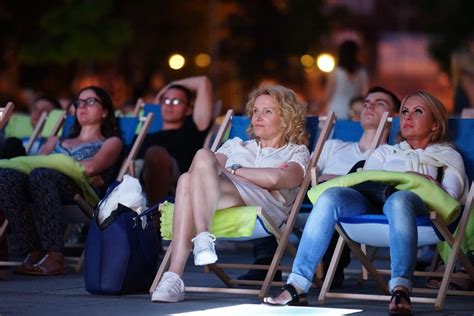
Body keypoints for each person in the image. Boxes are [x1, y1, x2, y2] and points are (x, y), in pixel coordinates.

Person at [264, 91, 468, 315]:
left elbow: (450, 200)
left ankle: (400, 287)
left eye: (417, 112)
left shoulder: (447, 156)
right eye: (405, 112)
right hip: (372, 205)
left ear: (435, 125)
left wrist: (424, 183)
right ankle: (297, 285)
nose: (407, 117)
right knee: (330, 197)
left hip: (418, 215)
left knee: (399, 199)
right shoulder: (386, 151)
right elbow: (367, 182)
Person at [151, 85, 311, 303]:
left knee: (193, 175)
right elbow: (200, 170)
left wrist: (234, 170)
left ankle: (188, 256)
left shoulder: (296, 152)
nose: (257, 117)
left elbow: (278, 180)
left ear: (286, 119)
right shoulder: (237, 145)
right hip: (227, 197)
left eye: (267, 111)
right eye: (255, 111)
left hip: (263, 208)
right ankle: (176, 273)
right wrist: (252, 176)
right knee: (189, 176)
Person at [238, 86, 401, 286]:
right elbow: (306, 171)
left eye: (380, 103)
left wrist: (331, 180)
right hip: (306, 195)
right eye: (367, 103)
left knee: (333, 197)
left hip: (348, 203)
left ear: (395, 116)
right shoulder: (334, 145)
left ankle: (329, 269)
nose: (370, 106)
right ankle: (265, 262)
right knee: (273, 186)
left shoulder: (391, 154)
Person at [0, 86, 123, 276]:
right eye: (79, 103)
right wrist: (60, 161)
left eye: (90, 102)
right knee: (7, 177)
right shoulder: (56, 141)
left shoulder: (110, 142)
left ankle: (55, 255)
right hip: (42, 184)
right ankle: (34, 250)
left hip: (80, 193)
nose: (82, 107)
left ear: (105, 111)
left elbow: (91, 167)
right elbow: (31, 165)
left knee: (42, 174)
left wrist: (57, 162)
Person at [137, 76, 213, 206]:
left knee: (155, 154)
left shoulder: (193, 129)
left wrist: (172, 83)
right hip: (137, 180)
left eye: (177, 101)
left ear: (189, 109)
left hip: (174, 182)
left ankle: (155, 214)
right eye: (165, 100)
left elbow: (203, 82)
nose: (170, 105)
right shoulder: (144, 134)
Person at [324, 40, 369, 119]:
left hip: (335, 109)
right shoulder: (362, 72)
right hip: (353, 109)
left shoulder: (336, 71)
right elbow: (365, 93)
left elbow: (327, 95)